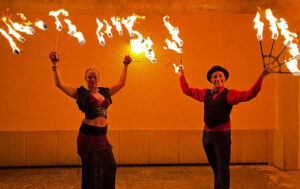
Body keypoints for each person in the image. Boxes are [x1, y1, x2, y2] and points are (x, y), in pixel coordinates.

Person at [178, 65, 273, 189]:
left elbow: (249, 94)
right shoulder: (205, 93)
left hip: (222, 138)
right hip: (207, 137)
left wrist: (262, 76)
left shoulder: (229, 94)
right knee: (216, 168)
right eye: (215, 76)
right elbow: (187, 91)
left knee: (222, 168)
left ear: (224, 79)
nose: (218, 78)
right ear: (211, 80)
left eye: (220, 76)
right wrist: (181, 75)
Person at [49, 51, 132, 189]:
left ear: (98, 79)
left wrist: (125, 65)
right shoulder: (81, 93)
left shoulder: (105, 92)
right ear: (85, 79)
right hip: (88, 136)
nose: (92, 79)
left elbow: (121, 83)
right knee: (91, 171)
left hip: (102, 136)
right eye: (89, 77)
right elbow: (59, 84)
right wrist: (54, 65)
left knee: (110, 166)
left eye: (94, 77)